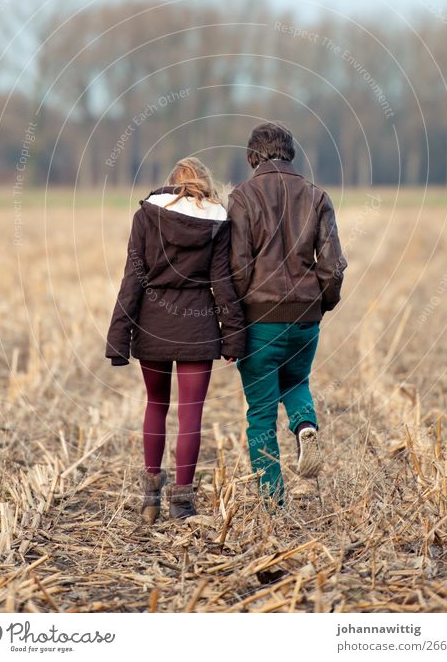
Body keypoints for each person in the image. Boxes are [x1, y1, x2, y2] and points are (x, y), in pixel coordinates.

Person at [106, 157, 246, 522]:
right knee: (191, 416)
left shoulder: (146, 217)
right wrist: (233, 336)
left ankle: (150, 497)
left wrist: (119, 336)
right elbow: (222, 284)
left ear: (171, 184)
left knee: (156, 405)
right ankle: (181, 504)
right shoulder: (217, 222)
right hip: (197, 330)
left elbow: (132, 279)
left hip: (152, 326)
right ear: (205, 183)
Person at [228, 123, 347, 506]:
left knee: (261, 411)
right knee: (296, 382)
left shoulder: (243, 197)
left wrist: (243, 309)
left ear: (252, 158)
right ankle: (305, 425)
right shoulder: (316, 196)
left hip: (260, 321)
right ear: (290, 155)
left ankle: (272, 501)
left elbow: (238, 267)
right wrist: (320, 303)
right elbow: (333, 266)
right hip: (305, 319)